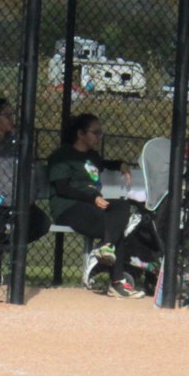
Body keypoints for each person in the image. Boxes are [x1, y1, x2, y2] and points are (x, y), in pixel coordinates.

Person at [47, 113, 144, 298]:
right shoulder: (62, 156)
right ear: (81, 134)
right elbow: (62, 189)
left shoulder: (92, 156)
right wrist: (92, 199)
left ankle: (106, 246)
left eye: (101, 133)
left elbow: (105, 163)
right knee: (118, 227)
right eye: (96, 132)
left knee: (123, 206)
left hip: (92, 206)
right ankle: (116, 282)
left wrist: (121, 165)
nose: (100, 137)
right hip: (69, 207)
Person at [0, 97, 50, 285]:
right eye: (7, 115)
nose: (13, 118)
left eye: (13, 114)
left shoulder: (18, 143)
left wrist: (28, 199)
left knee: (41, 223)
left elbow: (32, 173)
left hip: (16, 202)